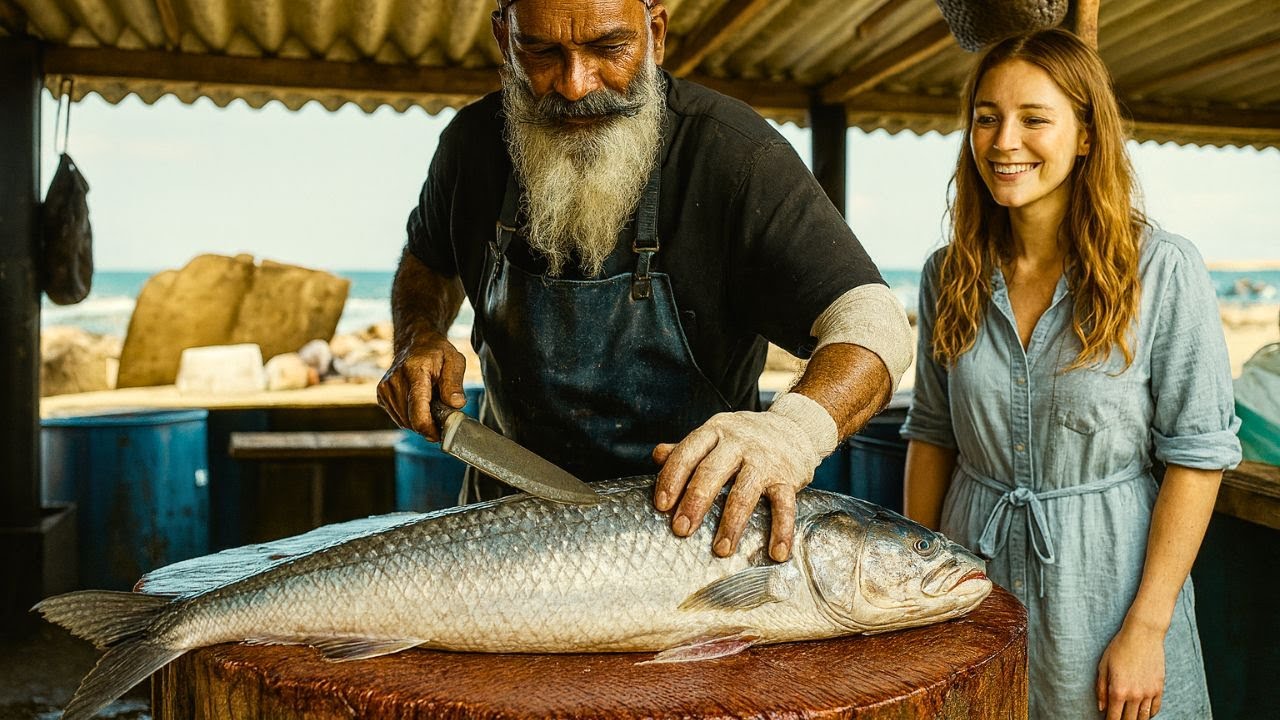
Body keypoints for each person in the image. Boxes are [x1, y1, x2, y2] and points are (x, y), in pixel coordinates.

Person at [376, 0, 913, 563]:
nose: (575, 85)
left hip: (685, 540)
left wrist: (791, 433)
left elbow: (874, 323)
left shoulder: (734, 154)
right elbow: (426, 261)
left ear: (655, 33)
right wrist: (418, 334)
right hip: (503, 528)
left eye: (609, 48)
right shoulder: (470, 145)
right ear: (503, 39)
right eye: (541, 52)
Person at [901, 29, 1240, 720]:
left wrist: (1146, 629)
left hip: (1111, 591)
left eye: (1034, 119)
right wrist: (915, 595)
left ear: (1085, 135)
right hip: (972, 587)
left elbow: (1198, 457)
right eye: (987, 117)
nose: (1004, 142)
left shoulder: (1162, 269)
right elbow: (933, 436)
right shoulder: (948, 273)